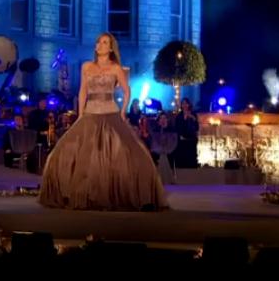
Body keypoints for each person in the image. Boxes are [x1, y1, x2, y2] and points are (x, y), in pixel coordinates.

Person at [38, 32, 167, 211]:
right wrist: (80, 114)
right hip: (90, 113)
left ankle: (130, 196)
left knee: (127, 154)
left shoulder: (116, 68)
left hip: (111, 113)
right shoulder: (86, 66)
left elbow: (127, 90)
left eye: (105, 42)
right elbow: (83, 91)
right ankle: (75, 194)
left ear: (111, 48)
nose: (100, 45)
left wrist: (123, 112)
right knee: (64, 153)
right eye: (98, 42)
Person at [173, 98, 200, 169]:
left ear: (189, 105)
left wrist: (193, 119)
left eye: (186, 103)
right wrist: (184, 119)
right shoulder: (179, 116)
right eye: (183, 103)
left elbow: (197, 127)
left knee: (191, 157)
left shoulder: (193, 114)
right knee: (183, 158)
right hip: (182, 140)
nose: (185, 105)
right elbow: (178, 128)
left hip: (191, 140)